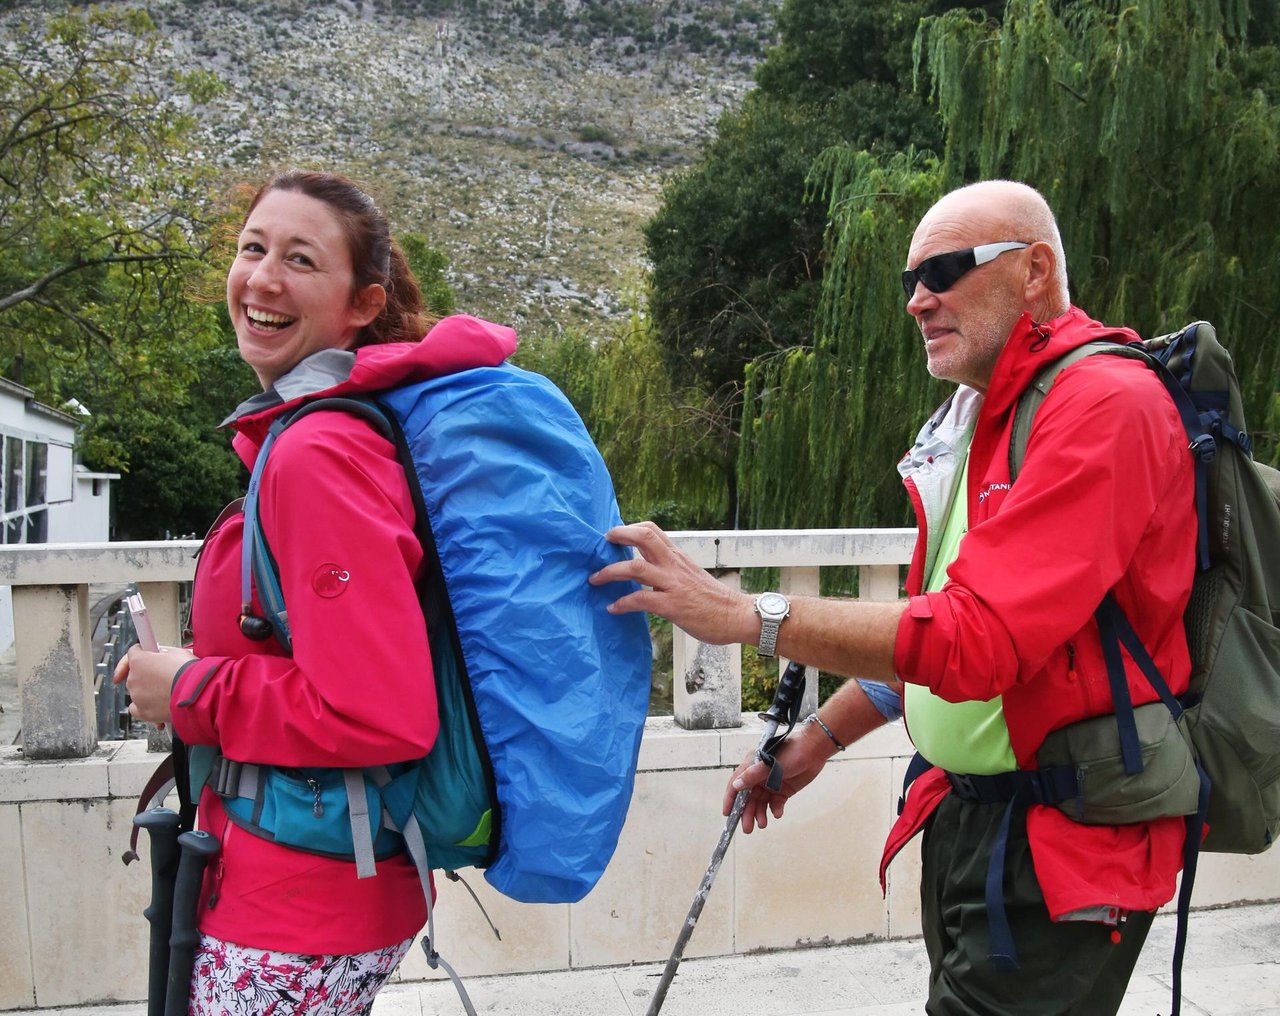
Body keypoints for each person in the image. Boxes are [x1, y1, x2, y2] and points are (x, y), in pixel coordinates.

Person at [590, 180, 1197, 1014]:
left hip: (1063, 851)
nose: (918, 300)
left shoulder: (1102, 405)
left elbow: (976, 638)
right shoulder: (987, 419)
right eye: (909, 280)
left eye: (945, 270)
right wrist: (819, 738)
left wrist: (751, 617)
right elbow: (935, 630)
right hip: (977, 827)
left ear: (1035, 270)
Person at [114, 169, 517, 1015]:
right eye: (252, 248)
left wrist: (185, 687)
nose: (262, 279)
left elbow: (379, 712)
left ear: (363, 303)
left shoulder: (317, 455)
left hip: (299, 900)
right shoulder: (309, 433)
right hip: (309, 872)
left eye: (300, 260)